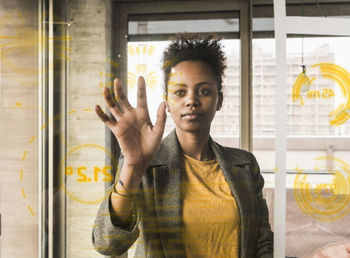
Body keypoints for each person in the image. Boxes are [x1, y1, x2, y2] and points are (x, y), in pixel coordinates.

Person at [92, 35, 350, 258]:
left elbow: (261, 248)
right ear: (167, 103)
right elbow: (108, 244)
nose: (191, 100)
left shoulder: (244, 165)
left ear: (219, 100)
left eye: (203, 91)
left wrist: (315, 255)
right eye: (180, 92)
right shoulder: (145, 164)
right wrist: (134, 168)